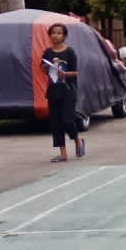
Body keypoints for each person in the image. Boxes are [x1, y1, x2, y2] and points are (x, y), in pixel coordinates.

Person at [40, 23, 84, 162]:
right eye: (53, 33)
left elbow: (75, 72)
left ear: (64, 36)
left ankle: (77, 141)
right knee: (55, 123)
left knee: (67, 121)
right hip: (53, 91)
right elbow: (43, 69)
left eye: (59, 33)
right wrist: (45, 68)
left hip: (68, 91)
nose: (56, 35)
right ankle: (63, 153)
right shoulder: (47, 52)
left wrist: (64, 74)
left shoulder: (70, 52)